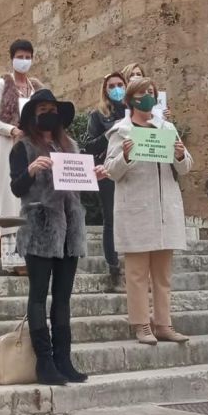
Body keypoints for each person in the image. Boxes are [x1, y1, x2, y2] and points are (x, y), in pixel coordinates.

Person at [10, 90, 105, 385]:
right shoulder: (23, 147)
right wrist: (30, 170)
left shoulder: (70, 146)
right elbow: (16, 188)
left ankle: (64, 359)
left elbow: (80, 186)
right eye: (42, 109)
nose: (48, 114)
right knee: (38, 295)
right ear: (32, 115)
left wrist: (95, 177)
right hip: (39, 226)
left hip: (70, 228)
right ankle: (45, 362)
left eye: (52, 109)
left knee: (63, 298)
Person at [104, 77, 192, 345]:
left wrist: (179, 154)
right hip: (136, 209)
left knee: (163, 275)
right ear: (130, 99)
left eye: (151, 92)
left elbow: (186, 168)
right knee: (137, 274)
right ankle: (142, 323)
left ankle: (163, 323)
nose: (148, 97)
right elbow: (110, 170)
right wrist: (125, 156)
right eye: (142, 93)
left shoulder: (167, 128)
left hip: (164, 209)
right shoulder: (121, 132)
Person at [0, 39, 44, 274]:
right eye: (20, 56)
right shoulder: (1, 85)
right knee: (12, 199)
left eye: (28, 56)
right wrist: (12, 130)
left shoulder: (36, 89)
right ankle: (15, 259)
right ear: (12, 58)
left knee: (33, 198)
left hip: (33, 148)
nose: (24, 61)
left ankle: (34, 255)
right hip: (10, 146)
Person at [82, 72, 128, 277]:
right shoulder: (98, 115)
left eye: (120, 84)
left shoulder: (133, 111)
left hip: (131, 169)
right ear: (105, 90)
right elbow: (89, 146)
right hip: (107, 171)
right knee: (111, 216)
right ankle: (113, 264)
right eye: (111, 86)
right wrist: (110, 134)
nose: (117, 89)